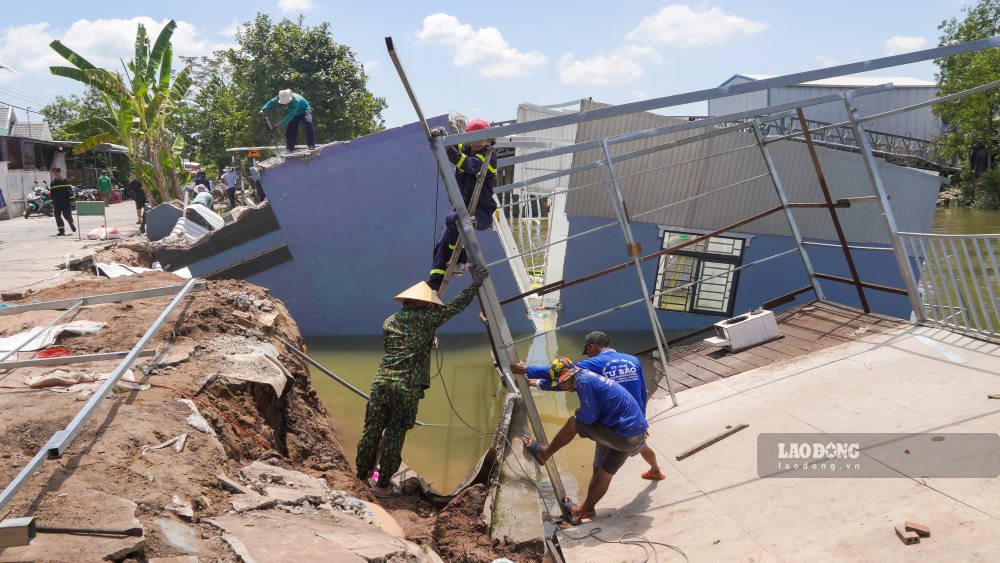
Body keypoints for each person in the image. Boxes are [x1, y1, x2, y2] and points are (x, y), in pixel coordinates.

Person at [356, 266, 490, 498]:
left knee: (372, 430)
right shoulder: (428, 319)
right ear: (424, 303)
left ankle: (361, 476)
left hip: (381, 382)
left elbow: (395, 347)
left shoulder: (389, 321)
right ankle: (382, 485)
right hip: (406, 388)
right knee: (395, 434)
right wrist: (475, 285)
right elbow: (456, 306)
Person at [512, 331, 665, 481]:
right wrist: (642, 420)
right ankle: (656, 470)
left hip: (612, 420)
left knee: (600, 465)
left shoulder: (595, 363)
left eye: (587, 352)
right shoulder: (633, 360)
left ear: (592, 347)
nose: (588, 355)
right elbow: (642, 393)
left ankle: (588, 500)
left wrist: (528, 370)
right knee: (641, 445)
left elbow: (563, 375)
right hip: (633, 417)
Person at [522, 359, 648, 525]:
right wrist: (537, 383)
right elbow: (589, 407)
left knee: (574, 421)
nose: (564, 389)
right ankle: (583, 511)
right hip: (635, 433)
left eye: (562, 384)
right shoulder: (586, 376)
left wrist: (579, 413)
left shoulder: (584, 383)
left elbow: (589, 417)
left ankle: (544, 453)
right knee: (604, 474)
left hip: (623, 435)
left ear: (568, 378)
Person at [427, 119, 497, 291]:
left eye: (482, 138)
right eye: (474, 137)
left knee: (457, 219)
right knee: (442, 241)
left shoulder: (489, 156)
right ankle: (435, 282)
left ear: (490, 140)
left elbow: (468, 164)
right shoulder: (466, 149)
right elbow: (453, 146)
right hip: (463, 208)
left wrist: (447, 148)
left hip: (482, 213)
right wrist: (441, 134)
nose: (478, 141)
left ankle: (460, 260)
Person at [259, 89, 315, 153]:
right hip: (295, 113)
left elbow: (290, 115)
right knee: (290, 129)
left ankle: (311, 145)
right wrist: (263, 109)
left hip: (305, 111)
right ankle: (289, 149)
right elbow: (272, 101)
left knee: (308, 123)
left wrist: (280, 124)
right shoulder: (282, 96)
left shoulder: (295, 101)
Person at [49, 168, 75, 236]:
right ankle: (61, 231)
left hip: (65, 202)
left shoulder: (65, 181)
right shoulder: (52, 183)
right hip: (57, 202)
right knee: (57, 216)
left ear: (59, 172)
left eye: (56, 172)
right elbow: (52, 194)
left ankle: (70, 222)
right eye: (54, 173)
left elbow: (69, 191)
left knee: (66, 215)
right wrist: (52, 202)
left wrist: (72, 200)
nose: (55, 174)